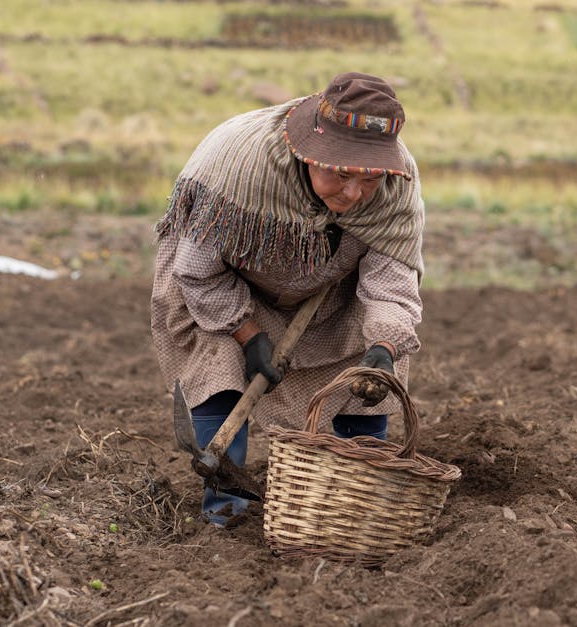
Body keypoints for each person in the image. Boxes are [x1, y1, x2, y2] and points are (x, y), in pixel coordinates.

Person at [150, 72, 425, 527]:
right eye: (340, 175)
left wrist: (384, 349)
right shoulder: (239, 171)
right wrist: (249, 335)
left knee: (367, 377)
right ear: (308, 153)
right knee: (219, 363)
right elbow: (199, 274)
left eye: (369, 179)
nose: (354, 193)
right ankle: (224, 509)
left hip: (329, 282)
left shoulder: (397, 187)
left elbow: (390, 283)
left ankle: (353, 509)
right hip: (226, 280)